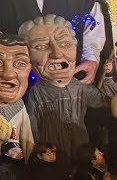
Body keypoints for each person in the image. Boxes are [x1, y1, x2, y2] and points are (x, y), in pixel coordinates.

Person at [20, 15, 109, 168]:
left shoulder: (79, 87)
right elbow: (33, 125)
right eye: (41, 47)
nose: (57, 53)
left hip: (80, 144)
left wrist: (109, 76)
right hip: (54, 148)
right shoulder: (37, 92)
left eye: (65, 44)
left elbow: (103, 102)